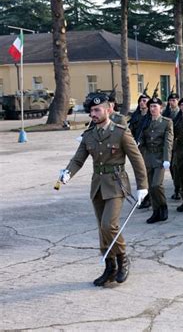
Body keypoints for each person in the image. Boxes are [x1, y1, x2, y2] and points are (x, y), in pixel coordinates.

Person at [59, 93, 148, 286]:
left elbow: (137, 159)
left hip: (117, 184)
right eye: (91, 110)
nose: (93, 114)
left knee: (109, 225)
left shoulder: (121, 132)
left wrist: (143, 186)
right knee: (102, 228)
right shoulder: (89, 135)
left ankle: (123, 259)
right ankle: (110, 267)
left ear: (108, 110)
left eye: (97, 110)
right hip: (98, 185)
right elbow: (78, 159)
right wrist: (68, 173)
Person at [139, 97, 174, 224]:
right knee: (150, 187)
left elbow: (168, 141)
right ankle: (155, 211)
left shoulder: (166, 122)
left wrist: (167, 159)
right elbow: (142, 139)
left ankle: (163, 207)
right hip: (148, 158)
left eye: (155, 106)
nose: (152, 109)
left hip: (160, 158)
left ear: (161, 108)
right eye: (151, 106)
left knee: (156, 185)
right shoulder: (146, 121)